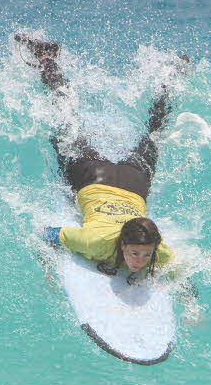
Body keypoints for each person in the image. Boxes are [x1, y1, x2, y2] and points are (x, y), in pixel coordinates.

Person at [15, 33, 187, 281]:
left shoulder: (157, 251)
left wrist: (193, 306)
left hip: (131, 184)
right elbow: (47, 235)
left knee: (147, 133)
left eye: (146, 255)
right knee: (66, 126)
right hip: (98, 179)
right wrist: (47, 270)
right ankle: (46, 57)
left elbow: (180, 273)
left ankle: (171, 76)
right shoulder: (95, 242)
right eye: (135, 253)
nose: (139, 261)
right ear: (121, 246)